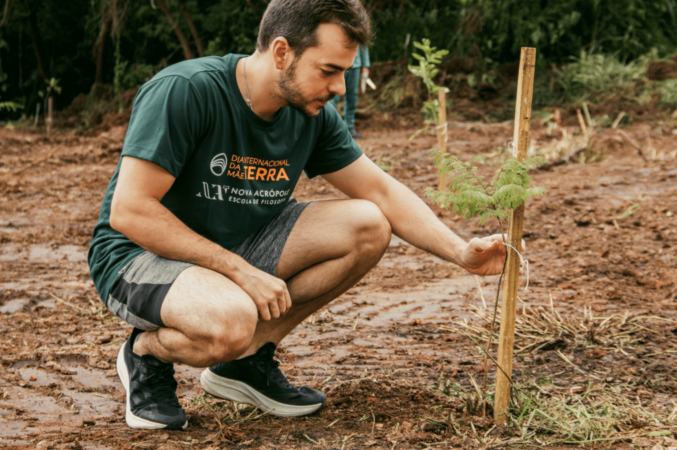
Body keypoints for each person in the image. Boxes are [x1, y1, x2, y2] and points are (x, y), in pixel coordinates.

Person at [87, 0, 511, 431]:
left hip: (236, 243)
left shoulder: (312, 117)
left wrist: (462, 253)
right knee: (231, 319)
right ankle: (146, 354)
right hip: (137, 256)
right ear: (282, 52)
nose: (341, 88)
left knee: (368, 224)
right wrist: (238, 271)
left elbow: (382, 190)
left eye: (344, 72)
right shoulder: (186, 90)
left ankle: (245, 361)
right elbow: (131, 211)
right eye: (328, 71)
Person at [328, 45, 369, 138]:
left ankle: (349, 128)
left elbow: (363, 44)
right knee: (333, 97)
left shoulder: (360, 29)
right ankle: (328, 127)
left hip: (355, 65)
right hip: (338, 64)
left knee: (352, 97)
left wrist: (365, 65)